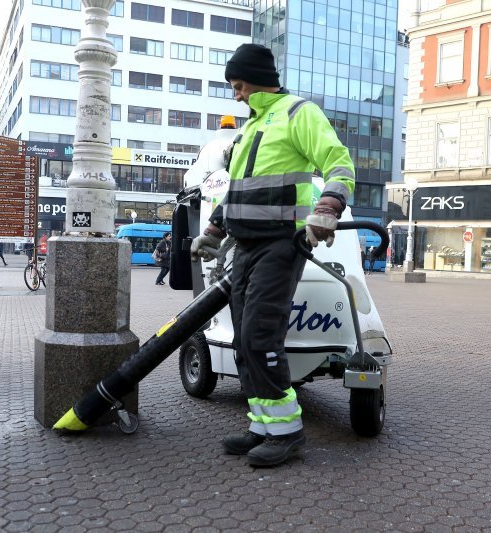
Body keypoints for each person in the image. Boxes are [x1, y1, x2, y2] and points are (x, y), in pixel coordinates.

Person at [190, 44, 355, 467]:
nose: (236, 95)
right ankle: (263, 425)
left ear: (254, 79)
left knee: (261, 337)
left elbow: (338, 163)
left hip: (282, 244)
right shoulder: (249, 129)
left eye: (238, 85)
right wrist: (213, 229)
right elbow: (237, 191)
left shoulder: (299, 113)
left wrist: (327, 209)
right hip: (245, 248)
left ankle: (287, 434)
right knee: (246, 340)